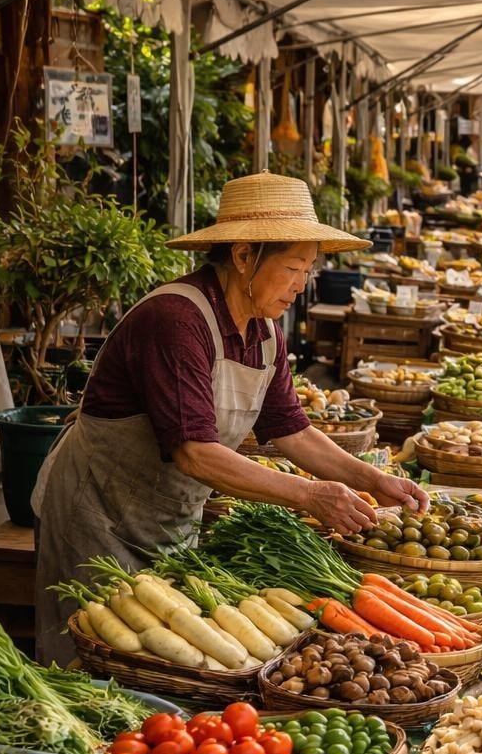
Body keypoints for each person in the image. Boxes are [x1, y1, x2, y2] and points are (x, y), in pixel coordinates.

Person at [30, 173, 430, 664]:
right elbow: (194, 451)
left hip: (169, 515)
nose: (300, 287)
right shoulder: (176, 320)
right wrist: (309, 494)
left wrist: (372, 478)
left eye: (308, 270)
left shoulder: (265, 331)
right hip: (97, 513)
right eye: (292, 268)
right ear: (244, 256)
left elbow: (292, 429)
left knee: (167, 657)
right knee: (94, 655)